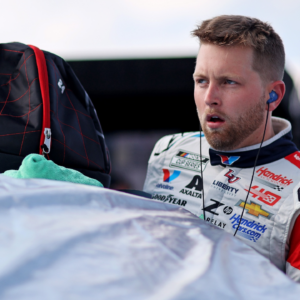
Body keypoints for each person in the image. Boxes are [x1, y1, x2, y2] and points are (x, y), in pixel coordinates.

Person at [143, 15, 300, 282]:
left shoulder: (295, 191)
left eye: (229, 82)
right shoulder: (169, 150)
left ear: (272, 95)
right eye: (201, 80)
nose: (209, 98)